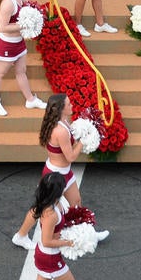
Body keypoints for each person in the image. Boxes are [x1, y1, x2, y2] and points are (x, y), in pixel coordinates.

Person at [13, 94, 108, 249]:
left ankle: (87, 232)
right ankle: (20, 236)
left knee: (76, 203)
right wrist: (83, 141)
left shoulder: (63, 122)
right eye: (69, 104)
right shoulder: (60, 131)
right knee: (39, 208)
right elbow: (70, 156)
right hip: (54, 175)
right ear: (61, 109)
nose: (72, 106)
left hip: (64, 172)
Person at [21, 172, 84, 280]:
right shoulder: (50, 213)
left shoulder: (55, 204)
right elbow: (47, 240)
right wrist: (69, 242)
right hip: (49, 256)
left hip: (45, 254)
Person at [0, 0, 46, 117]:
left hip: (19, 43)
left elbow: (30, 6)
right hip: (7, 44)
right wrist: (24, 25)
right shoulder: (8, 3)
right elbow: (2, 27)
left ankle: (30, 99)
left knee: (21, 71)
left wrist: (37, 15)